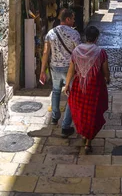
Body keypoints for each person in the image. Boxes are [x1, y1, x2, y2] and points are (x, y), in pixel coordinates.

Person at [64, 25, 110, 154]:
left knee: (81, 111)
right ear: (96, 38)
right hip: (95, 86)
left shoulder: (76, 51)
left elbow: (71, 70)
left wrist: (67, 85)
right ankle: (88, 142)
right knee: (93, 113)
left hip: (79, 85)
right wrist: (107, 78)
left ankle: (84, 135)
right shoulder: (100, 52)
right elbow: (105, 70)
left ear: (85, 36)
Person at [39, 8, 80, 136]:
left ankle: (55, 117)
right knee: (71, 96)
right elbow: (78, 53)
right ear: (67, 19)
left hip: (55, 67)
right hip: (70, 69)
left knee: (56, 91)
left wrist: (42, 70)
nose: (73, 21)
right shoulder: (74, 34)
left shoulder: (50, 33)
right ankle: (66, 124)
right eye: (72, 19)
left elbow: (45, 52)